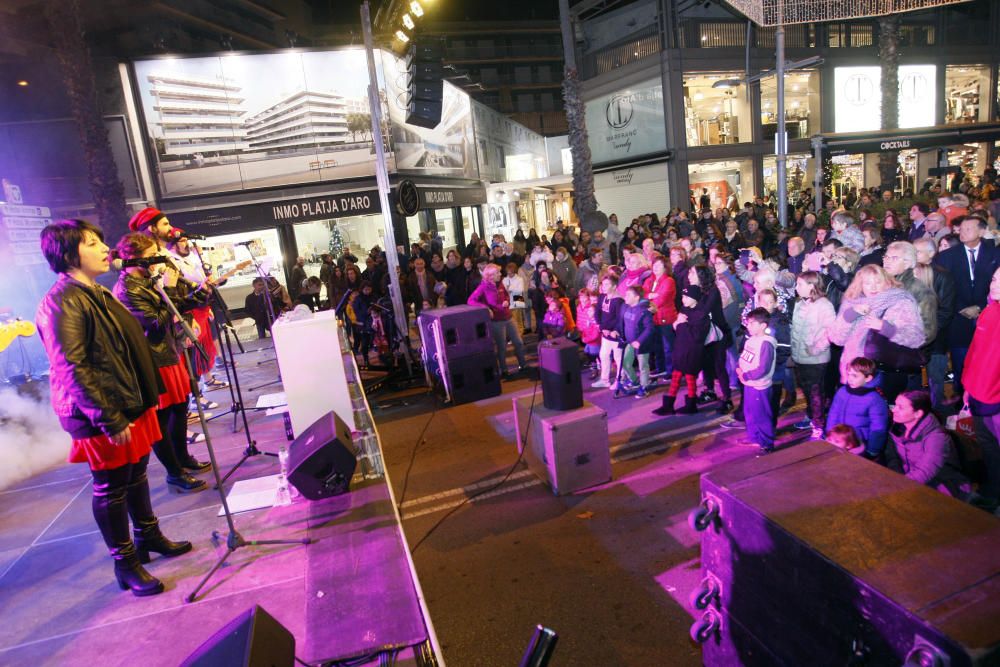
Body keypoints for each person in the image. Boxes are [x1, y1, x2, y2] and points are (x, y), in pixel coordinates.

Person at [36, 219, 192, 597]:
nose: (105, 248)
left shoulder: (95, 292)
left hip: (125, 402)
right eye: (92, 243)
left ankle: (148, 536)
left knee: (136, 474)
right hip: (100, 411)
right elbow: (71, 365)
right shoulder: (62, 300)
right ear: (69, 252)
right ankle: (125, 562)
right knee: (111, 487)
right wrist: (105, 415)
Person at [113, 232, 210, 494]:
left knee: (180, 410)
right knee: (162, 419)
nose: (156, 261)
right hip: (153, 359)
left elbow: (174, 308)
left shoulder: (147, 282)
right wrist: (167, 288)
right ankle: (174, 473)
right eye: (150, 257)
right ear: (135, 261)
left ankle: (183, 458)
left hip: (169, 352)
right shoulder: (127, 290)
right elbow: (154, 323)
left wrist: (198, 294)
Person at [934, 216, 1000, 398]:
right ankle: (960, 395)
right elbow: (942, 289)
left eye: (968, 229)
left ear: (981, 231)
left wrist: (980, 306)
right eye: (960, 229)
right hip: (958, 315)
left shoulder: (995, 254)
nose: (962, 232)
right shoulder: (947, 256)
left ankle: (983, 397)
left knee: (987, 360)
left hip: (988, 313)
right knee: (960, 359)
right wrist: (961, 308)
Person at [827, 264, 926, 385]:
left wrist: (884, 327)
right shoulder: (851, 302)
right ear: (860, 285)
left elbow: (916, 338)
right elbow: (837, 339)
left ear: (887, 282)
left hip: (887, 370)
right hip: (855, 371)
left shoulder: (900, 301)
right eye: (867, 283)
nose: (873, 287)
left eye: (878, 282)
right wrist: (850, 315)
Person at [960, 265, 1000, 512]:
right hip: (978, 393)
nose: (993, 283)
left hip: (996, 399)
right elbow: (975, 352)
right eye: (994, 278)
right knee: (988, 449)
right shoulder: (989, 311)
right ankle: (993, 492)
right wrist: (967, 385)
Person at [886, 391, 971, 498]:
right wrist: (896, 477)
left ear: (918, 413)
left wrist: (898, 487)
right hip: (910, 483)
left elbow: (925, 472)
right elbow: (892, 457)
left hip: (942, 487)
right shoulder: (897, 428)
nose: (894, 410)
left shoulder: (937, 437)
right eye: (895, 404)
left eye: (900, 407)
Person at [791, 272, 836, 438]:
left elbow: (831, 331)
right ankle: (810, 417)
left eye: (800, 284)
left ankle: (819, 426)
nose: (796, 287)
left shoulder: (824, 305)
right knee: (806, 390)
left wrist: (815, 349)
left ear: (812, 286)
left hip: (815, 359)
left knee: (816, 394)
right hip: (799, 357)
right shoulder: (799, 303)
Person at [652, 285, 709, 416]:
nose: (683, 299)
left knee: (689, 376)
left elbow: (697, 335)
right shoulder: (685, 309)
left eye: (686, 297)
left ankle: (691, 404)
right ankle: (669, 405)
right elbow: (676, 326)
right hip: (681, 347)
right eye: (683, 296)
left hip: (692, 350)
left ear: (695, 299)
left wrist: (681, 324)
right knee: (676, 375)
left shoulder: (701, 313)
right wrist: (677, 324)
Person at [467, 263, 527, 377]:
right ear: (490, 275)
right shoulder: (483, 286)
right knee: (502, 347)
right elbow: (471, 300)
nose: (500, 274)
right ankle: (504, 370)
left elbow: (505, 296)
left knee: (518, 342)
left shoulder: (500, 283)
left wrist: (507, 301)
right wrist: (486, 308)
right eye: (498, 273)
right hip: (497, 321)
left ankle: (523, 365)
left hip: (508, 317)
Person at [826, 357, 889, 460]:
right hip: (839, 440)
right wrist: (829, 433)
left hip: (859, 442)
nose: (849, 379)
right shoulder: (842, 391)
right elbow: (833, 413)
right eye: (849, 374)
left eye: (855, 376)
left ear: (868, 378)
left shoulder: (874, 399)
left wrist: (873, 450)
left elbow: (878, 427)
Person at [736, 308, 778, 454]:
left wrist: (746, 375)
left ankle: (767, 443)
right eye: (748, 323)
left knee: (761, 415)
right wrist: (739, 369)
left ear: (763, 326)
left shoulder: (766, 343)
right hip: (749, 384)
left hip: (759, 386)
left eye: (752, 323)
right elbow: (744, 357)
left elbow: (763, 368)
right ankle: (754, 437)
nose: (748, 326)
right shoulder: (751, 339)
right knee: (750, 412)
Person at [643, 255, 677, 380]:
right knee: (657, 346)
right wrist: (651, 295)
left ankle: (671, 370)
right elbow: (642, 295)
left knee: (668, 347)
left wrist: (649, 298)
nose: (655, 268)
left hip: (666, 318)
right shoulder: (649, 280)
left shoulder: (669, 281)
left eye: (659, 265)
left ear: (665, 267)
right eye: (654, 265)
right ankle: (661, 368)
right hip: (653, 319)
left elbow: (661, 299)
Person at [620, 284, 654, 398]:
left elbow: (649, 328)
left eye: (628, 295)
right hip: (630, 342)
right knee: (625, 362)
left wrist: (639, 341)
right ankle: (634, 381)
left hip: (642, 344)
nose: (625, 296)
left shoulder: (644, 311)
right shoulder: (627, 307)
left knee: (643, 366)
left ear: (637, 297)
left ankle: (644, 387)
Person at [593, 274, 625, 389]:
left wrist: (611, 330)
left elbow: (619, 318)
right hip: (605, 333)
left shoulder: (619, 301)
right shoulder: (602, 297)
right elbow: (597, 312)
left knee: (618, 358)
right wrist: (602, 327)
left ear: (614, 286)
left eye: (607, 284)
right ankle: (604, 379)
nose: (604, 286)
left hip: (615, 334)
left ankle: (620, 379)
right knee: (603, 355)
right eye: (603, 284)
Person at [346, 281, 374, 368]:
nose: (368, 291)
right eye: (366, 290)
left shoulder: (373, 296)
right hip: (362, 324)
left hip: (372, 323)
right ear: (362, 289)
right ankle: (365, 359)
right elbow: (357, 312)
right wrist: (366, 312)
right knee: (364, 342)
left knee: (371, 341)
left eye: (369, 290)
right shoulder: (358, 299)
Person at [576, 288, 602, 378]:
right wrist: (579, 327)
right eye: (580, 297)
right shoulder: (579, 307)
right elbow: (579, 318)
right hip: (584, 331)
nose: (582, 299)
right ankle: (595, 366)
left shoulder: (591, 308)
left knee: (594, 354)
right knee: (588, 352)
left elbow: (594, 331)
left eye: (584, 297)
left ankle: (597, 369)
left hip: (591, 335)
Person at [502, 262, 528, 334]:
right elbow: (504, 290)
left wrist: (510, 289)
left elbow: (520, 290)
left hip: (517, 299)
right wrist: (510, 289)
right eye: (508, 273)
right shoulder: (505, 279)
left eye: (511, 273)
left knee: (518, 319)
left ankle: (520, 334)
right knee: (510, 321)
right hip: (509, 301)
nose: (509, 275)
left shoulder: (519, 279)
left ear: (514, 272)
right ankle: (512, 336)